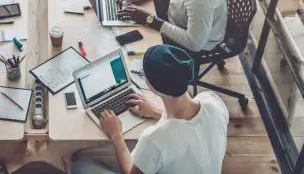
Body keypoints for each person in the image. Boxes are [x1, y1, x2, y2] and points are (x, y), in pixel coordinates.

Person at [72, 44, 229, 174]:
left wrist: (116, 135)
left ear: (150, 85)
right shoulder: (213, 102)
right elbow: (189, 130)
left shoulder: (154, 140)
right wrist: (156, 112)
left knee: (80, 164)